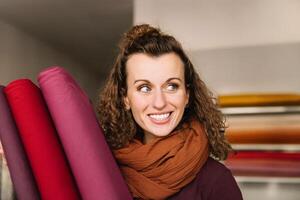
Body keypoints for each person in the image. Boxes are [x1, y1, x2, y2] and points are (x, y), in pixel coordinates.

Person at [97, 24, 243, 200]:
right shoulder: (107, 174)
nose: (159, 102)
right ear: (125, 98)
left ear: (187, 95)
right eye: (144, 88)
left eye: (171, 86)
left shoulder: (216, 181)